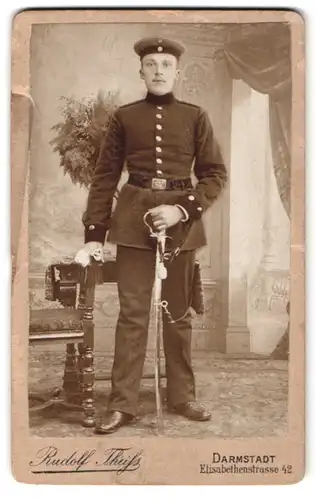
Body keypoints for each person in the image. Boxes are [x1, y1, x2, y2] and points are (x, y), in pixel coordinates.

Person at [75, 37, 228, 434]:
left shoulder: (196, 116)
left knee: (178, 314)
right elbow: (106, 177)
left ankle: (182, 396)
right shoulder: (125, 117)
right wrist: (95, 233)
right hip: (132, 223)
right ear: (140, 71)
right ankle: (122, 403)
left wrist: (180, 209)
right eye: (151, 64)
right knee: (132, 316)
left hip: (182, 225)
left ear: (177, 72)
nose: (158, 71)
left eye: (165, 64)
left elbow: (214, 174)